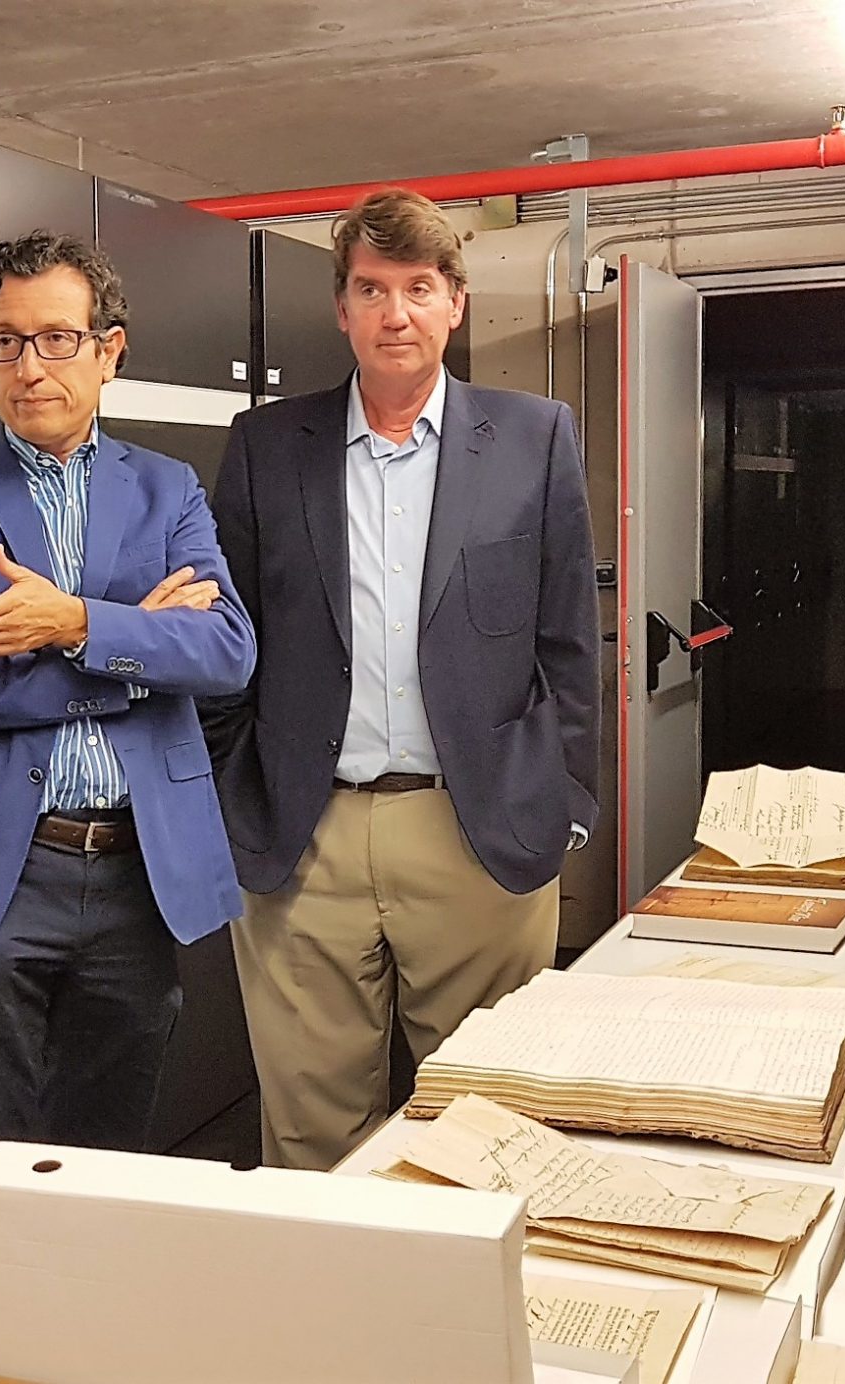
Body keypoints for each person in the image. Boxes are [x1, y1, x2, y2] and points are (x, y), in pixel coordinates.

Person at [0, 230, 255, 1380]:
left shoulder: (168, 486)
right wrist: (140, 634)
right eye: (4, 341)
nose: (28, 365)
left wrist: (68, 620)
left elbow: (227, 649)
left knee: (101, 1177)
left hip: (135, 874)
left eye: (54, 338)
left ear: (107, 350)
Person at [203, 188, 601, 1171]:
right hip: (303, 841)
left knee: (487, 1138)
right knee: (308, 1140)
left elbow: (568, 641)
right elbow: (222, 637)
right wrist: (229, 793)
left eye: (417, 287)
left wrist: (566, 801)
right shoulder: (264, 448)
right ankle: (324, 1328)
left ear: (453, 302)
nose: (395, 313)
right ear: (339, 307)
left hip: (475, 833)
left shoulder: (531, 438)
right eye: (371, 289)